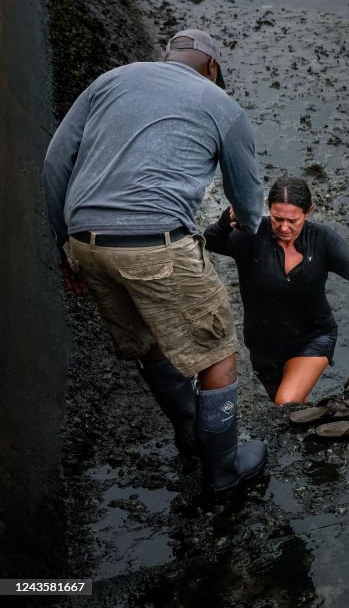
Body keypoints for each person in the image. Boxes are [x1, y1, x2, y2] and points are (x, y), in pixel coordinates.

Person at [44, 29, 268, 498]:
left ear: (167, 57)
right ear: (212, 67)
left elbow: (55, 161)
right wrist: (247, 225)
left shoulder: (110, 80)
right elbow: (247, 200)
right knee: (216, 350)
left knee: (149, 340)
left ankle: (189, 433)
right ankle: (224, 469)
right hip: (157, 245)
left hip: (88, 243)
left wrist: (65, 243)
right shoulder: (220, 104)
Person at [204, 176, 349, 418]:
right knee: (294, 412)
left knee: (286, 403)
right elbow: (210, 241)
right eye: (277, 218)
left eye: (293, 220)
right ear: (268, 211)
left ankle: (341, 420)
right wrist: (225, 220)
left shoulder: (321, 239)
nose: (284, 227)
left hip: (312, 338)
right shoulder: (251, 236)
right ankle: (333, 420)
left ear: (308, 213)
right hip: (263, 347)